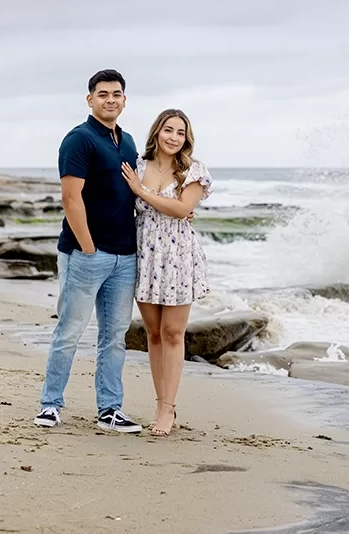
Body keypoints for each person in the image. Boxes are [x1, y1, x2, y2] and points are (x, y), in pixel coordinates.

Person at [33, 69, 143, 433]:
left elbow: (138, 191)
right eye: (102, 94)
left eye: (116, 94)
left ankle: (109, 410)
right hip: (86, 254)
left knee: (114, 337)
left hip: (125, 257)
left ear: (125, 100)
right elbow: (70, 196)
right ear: (90, 99)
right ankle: (50, 405)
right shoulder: (78, 140)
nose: (110, 99)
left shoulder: (126, 142)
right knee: (69, 331)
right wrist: (88, 246)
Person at [120, 109, 213, 437]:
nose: (174, 137)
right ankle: (160, 401)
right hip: (146, 254)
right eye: (168, 130)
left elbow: (182, 208)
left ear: (187, 138)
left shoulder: (192, 170)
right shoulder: (139, 167)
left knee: (173, 333)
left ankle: (168, 409)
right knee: (154, 333)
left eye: (180, 132)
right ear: (157, 132)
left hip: (177, 256)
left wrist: (142, 192)